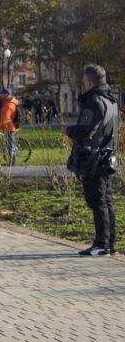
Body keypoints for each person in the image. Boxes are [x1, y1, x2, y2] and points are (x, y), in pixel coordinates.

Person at [66, 64, 119, 256]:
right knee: (106, 200)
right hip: (108, 156)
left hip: (94, 158)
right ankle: (110, 243)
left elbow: (85, 130)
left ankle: (101, 243)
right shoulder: (111, 101)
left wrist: (69, 130)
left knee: (97, 201)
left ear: (89, 82)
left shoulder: (94, 101)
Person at [0, 88, 20, 166]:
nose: (0, 95)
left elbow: (5, 118)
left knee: (10, 146)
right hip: (10, 126)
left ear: (6, 95)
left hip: (9, 127)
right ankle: (12, 157)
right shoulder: (8, 102)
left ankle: (12, 162)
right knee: (10, 144)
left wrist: (0, 126)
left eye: (2, 94)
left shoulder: (8, 105)